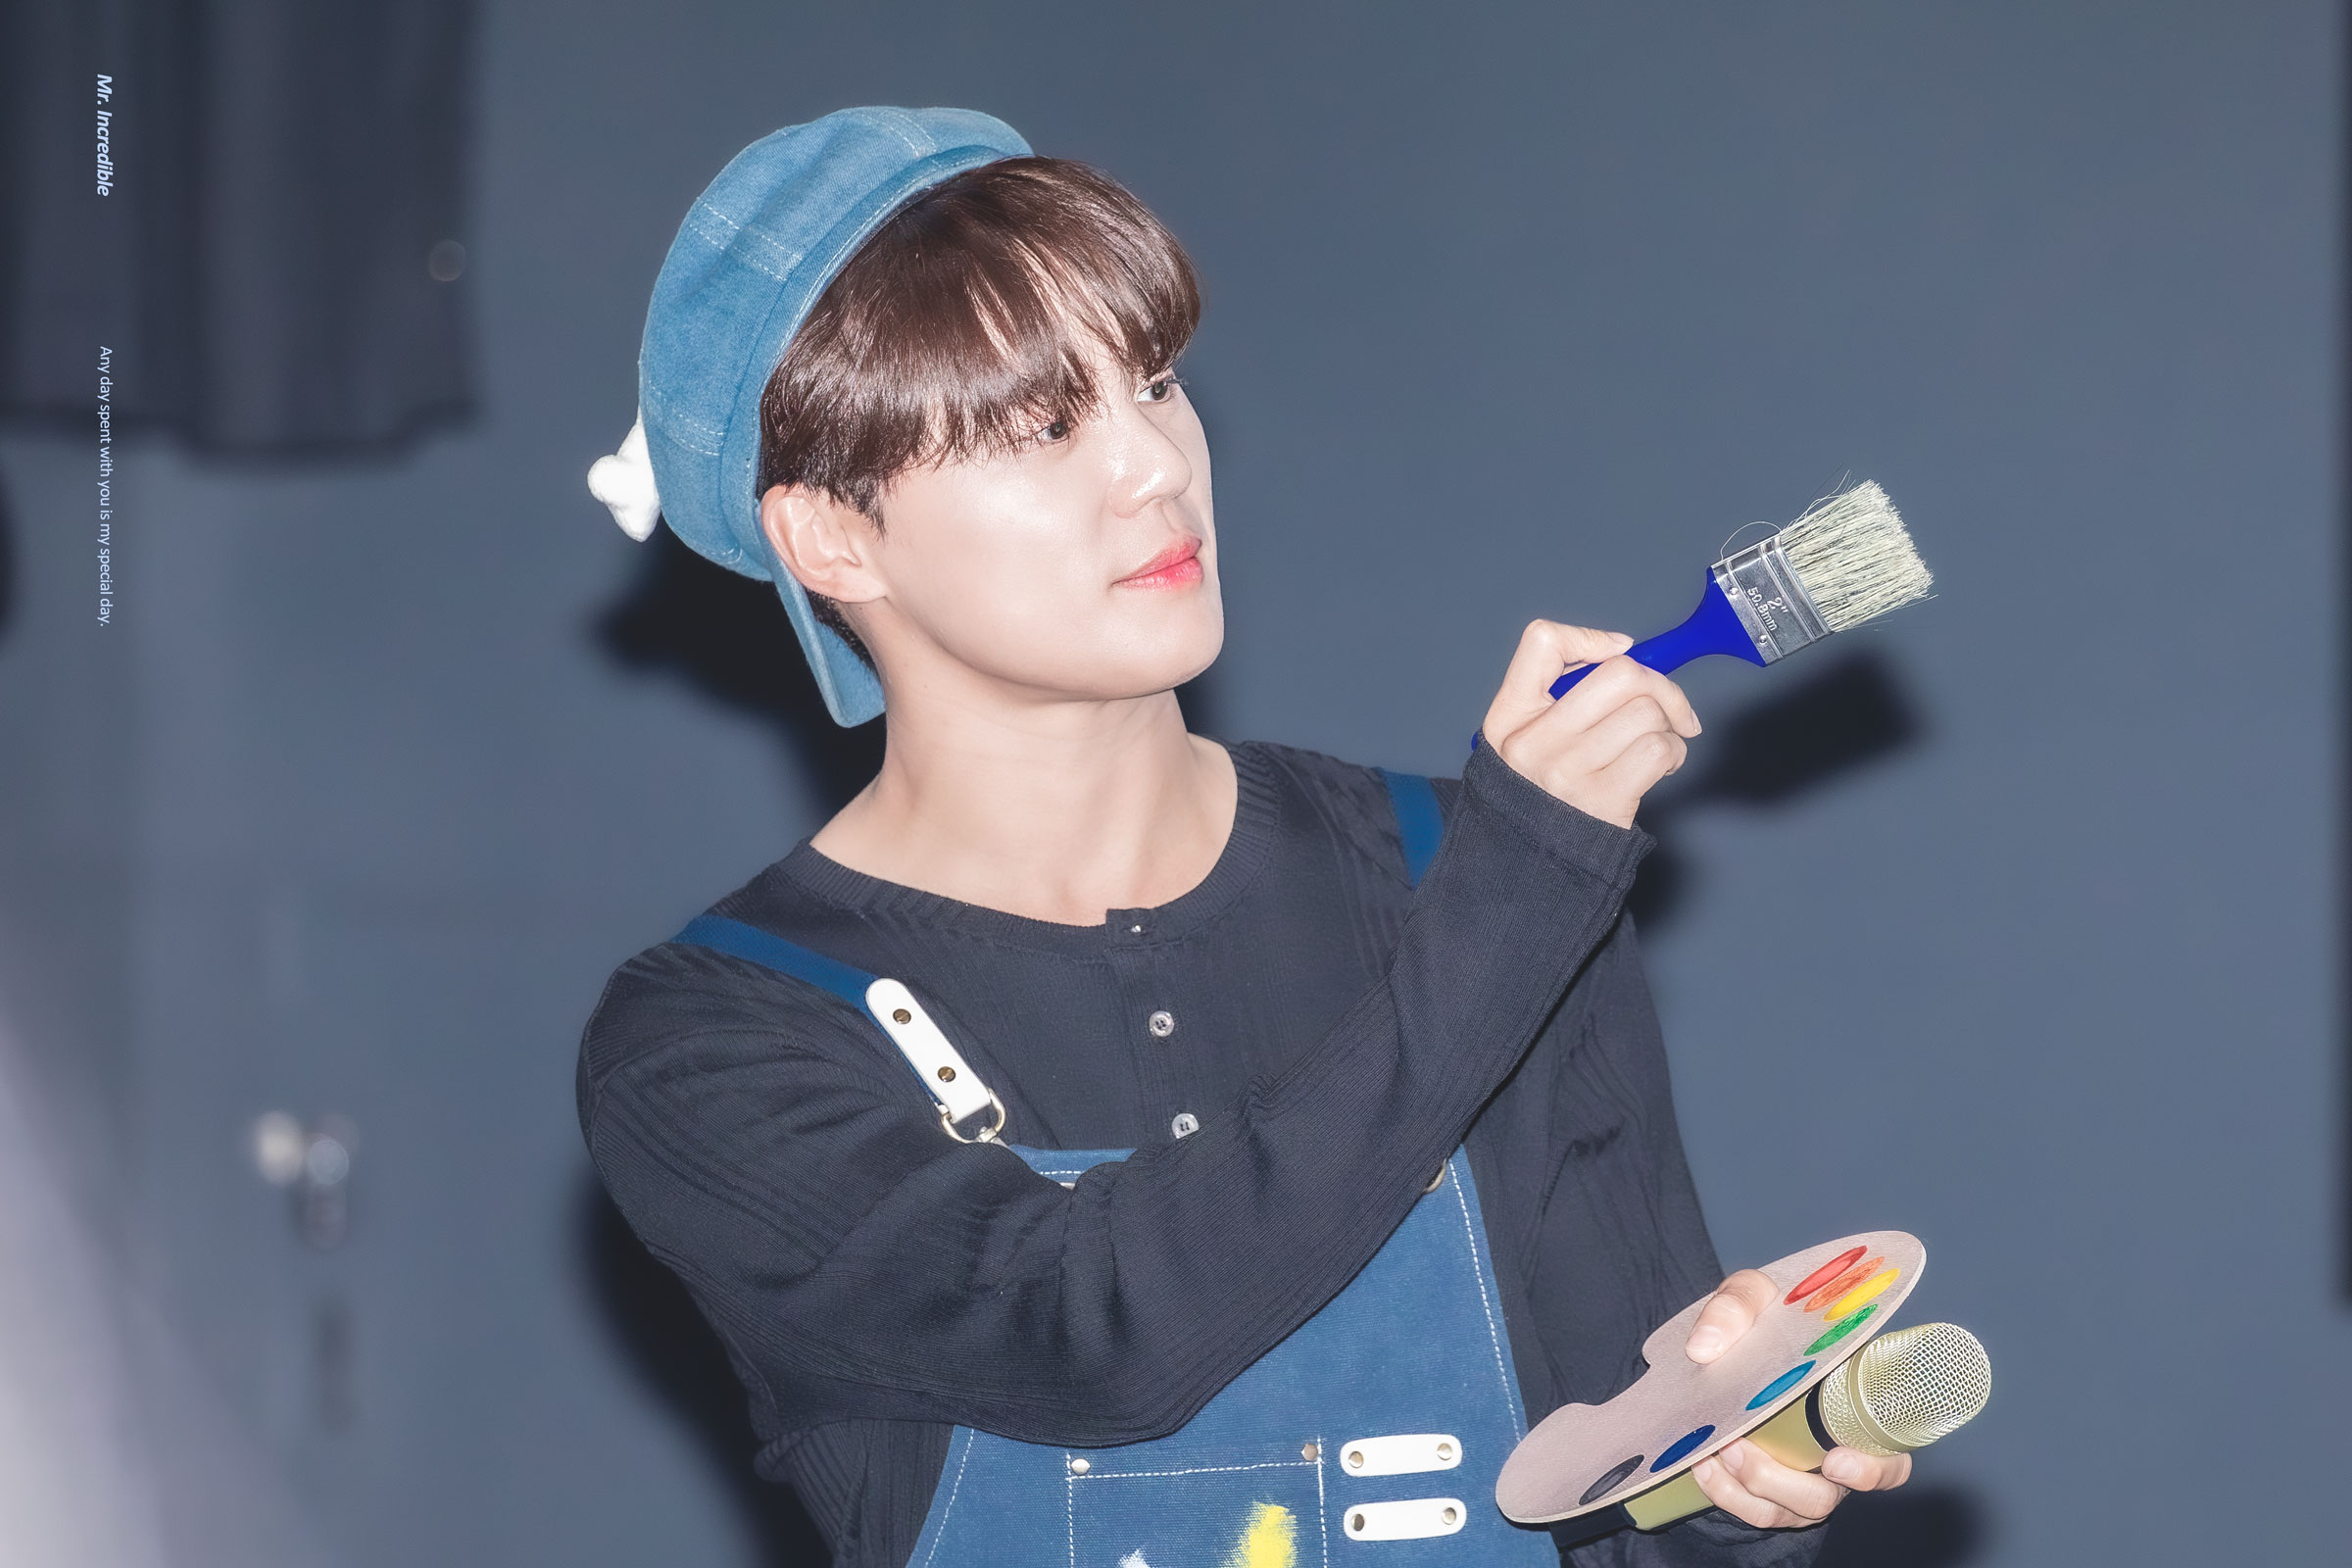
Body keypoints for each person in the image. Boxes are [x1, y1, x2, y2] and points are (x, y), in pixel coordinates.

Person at [577, 108, 1909, 1568]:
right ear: (833, 538)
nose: (1153, 465)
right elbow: (1090, 1336)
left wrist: (1731, 1473)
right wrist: (1515, 896)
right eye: (1044, 427)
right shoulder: (714, 1038)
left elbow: (1628, 1503)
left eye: (1154, 382)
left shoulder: (1461, 869)